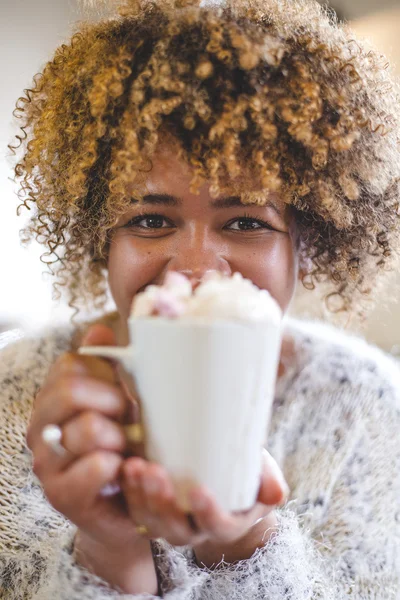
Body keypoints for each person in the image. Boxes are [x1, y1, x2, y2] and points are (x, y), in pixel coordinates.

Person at [2, 0, 400, 597]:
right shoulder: (13, 389)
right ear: (99, 238)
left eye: (245, 223)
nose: (192, 269)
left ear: (305, 247)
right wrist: (108, 549)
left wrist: (245, 542)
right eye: (149, 220)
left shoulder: (371, 408)